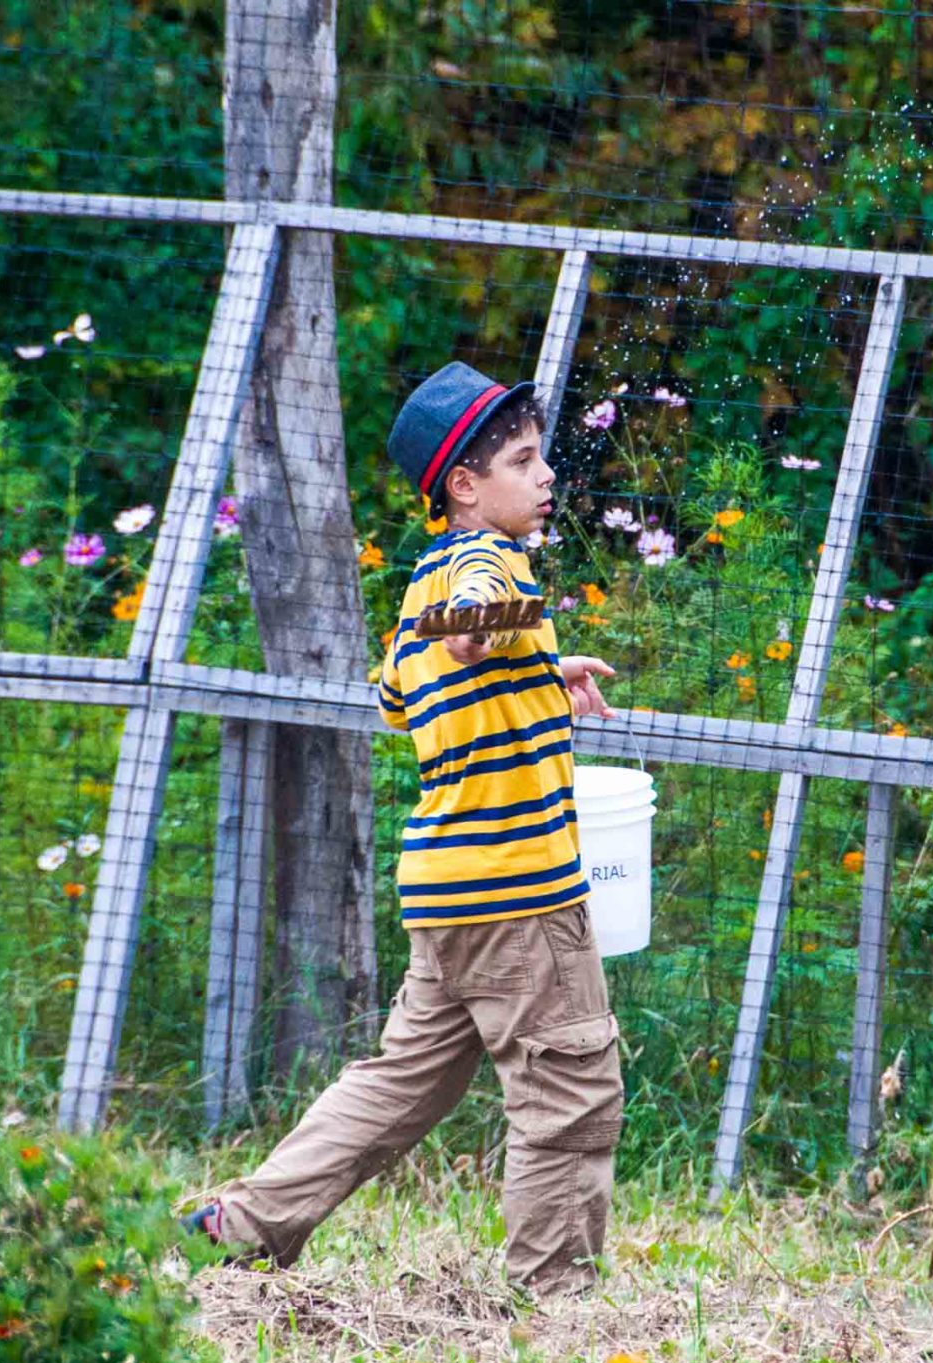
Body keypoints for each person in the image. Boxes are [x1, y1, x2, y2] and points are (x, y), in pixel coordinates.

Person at [185, 361, 624, 1297]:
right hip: (521, 892)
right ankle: (558, 1299)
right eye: (521, 460)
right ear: (463, 487)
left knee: (403, 1082)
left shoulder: (417, 589)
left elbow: (406, 694)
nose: (545, 475)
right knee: (571, 1092)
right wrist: (520, 620)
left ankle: (242, 1223)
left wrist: (543, 669)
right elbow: (470, 630)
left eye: (541, 455)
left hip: (445, 890)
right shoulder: (484, 568)